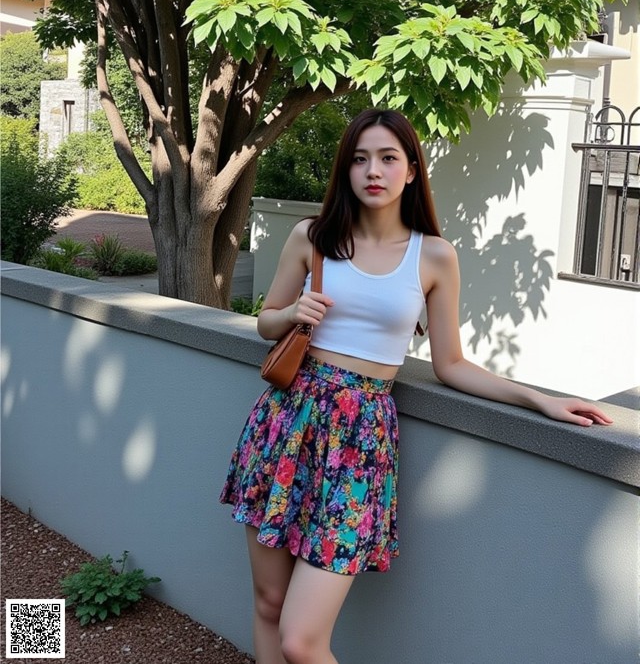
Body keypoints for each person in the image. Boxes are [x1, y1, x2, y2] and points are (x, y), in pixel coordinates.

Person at [220, 108, 612, 664]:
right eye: (359, 159)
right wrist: (289, 315)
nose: (372, 171)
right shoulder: (314, 237)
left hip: (359, 439)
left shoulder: (433, 255)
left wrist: (540, 400)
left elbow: (451, 363)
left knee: (302, 640)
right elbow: (267, 320)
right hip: (288, 419)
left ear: (411, 170)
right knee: (268, 601)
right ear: (345, 170)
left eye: (387, 158)